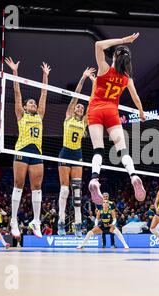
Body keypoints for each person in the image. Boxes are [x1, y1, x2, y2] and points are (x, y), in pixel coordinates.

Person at [87, 33, 146, 205]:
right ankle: (133, 175)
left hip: (96, 110)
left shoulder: (104, 69)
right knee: (122, 150)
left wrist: (122, 40)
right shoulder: (126, 79)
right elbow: (135, 99)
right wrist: (141, 112)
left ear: (114, 56)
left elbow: (98, 45)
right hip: (112, 112)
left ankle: (94, 179)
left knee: (98, 150)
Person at [5, 57, 51, 238]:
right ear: (25, 106)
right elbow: (17, 93)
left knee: (37, 186)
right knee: (18, 184)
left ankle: (36, 221)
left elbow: (44, 94)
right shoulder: (21, 115)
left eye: (34, 103)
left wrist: (45, 76)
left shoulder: (40, 115)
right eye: (30, 103)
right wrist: (15, 73)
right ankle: (14, 220)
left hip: (36, 153)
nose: (33, 104)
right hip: (22, 150)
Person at [57, 67, 96, 237]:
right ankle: (61, 223)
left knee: (78, 192)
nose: (80, 108)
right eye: (78, 107)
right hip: (65, 154)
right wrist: (83, 77)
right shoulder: (68, 116)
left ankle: (78, 225)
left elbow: (93, 101)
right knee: (65, 191)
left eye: (81, 107)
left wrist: (94, 83)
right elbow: (75, 96)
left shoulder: (85, 121)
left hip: (77, 155)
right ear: (74, 110)